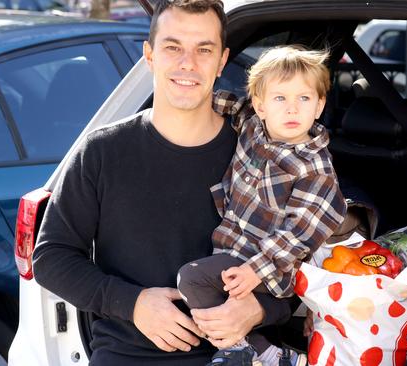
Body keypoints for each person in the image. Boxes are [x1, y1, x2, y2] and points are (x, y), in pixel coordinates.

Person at [32, 1, 292, 365]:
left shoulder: (259, 157)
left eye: (204, 49)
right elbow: (50, 257)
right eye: (173, 47)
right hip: (127, 356)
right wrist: (132, 303)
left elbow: (303, 269)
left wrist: (259, 310)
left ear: (222, 61)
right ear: (150, 55)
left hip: (242, 355)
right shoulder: (102, 151)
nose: (188, 63)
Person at [176, 45, 347, 366]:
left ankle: (237, 347)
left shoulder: (314, 168)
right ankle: (271, 355)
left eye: (304, 99)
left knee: (191, 279)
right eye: (280, 99)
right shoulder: (254, 126)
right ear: (261, 105)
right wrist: (190, 96)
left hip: (273, 270)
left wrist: (257, 269)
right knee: (199, 284)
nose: (292, 110)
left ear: (320, 105)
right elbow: (230, 105)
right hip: (232, 251)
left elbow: (300, 234)